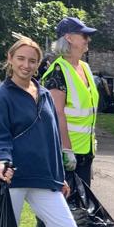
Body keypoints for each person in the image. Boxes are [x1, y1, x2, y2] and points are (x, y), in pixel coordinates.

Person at [0, 35, 98, 227]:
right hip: (11, 177)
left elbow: (51, 139)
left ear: (38, 64)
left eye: (32, 60)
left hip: (42, 177)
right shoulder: (1, 96)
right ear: (10, 59)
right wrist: (2, 160)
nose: (26, 65)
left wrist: (59, 176)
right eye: (21, 59)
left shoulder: (44, 94)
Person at [44, 16, 100, 186]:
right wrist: (66, 149)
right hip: (68, 153)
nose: (88, 40)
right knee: (68, 201)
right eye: (84, 36)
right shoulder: (58, 72)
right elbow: (57, 114)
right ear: (68, 38)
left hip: (86, 151)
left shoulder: (85, 67)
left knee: (84, 201)